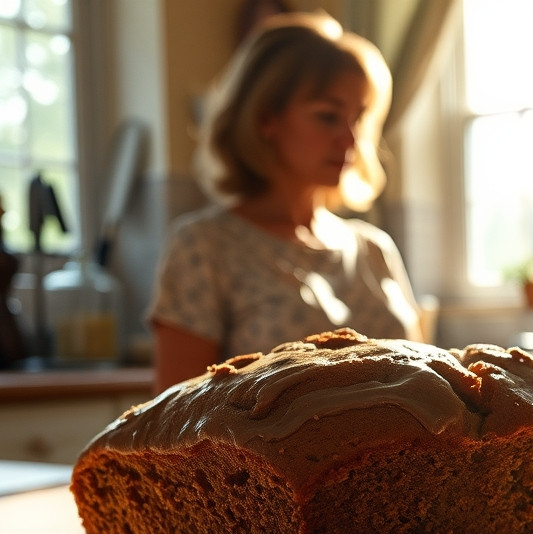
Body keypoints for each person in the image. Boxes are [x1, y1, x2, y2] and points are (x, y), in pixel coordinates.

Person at [148, 12, 423, 392]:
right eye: (328, 116)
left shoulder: (374, 250)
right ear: (266, 120)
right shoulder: (203, 247)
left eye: (358, 118)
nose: (350, 140)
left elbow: (427, 392)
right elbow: (176, 424)